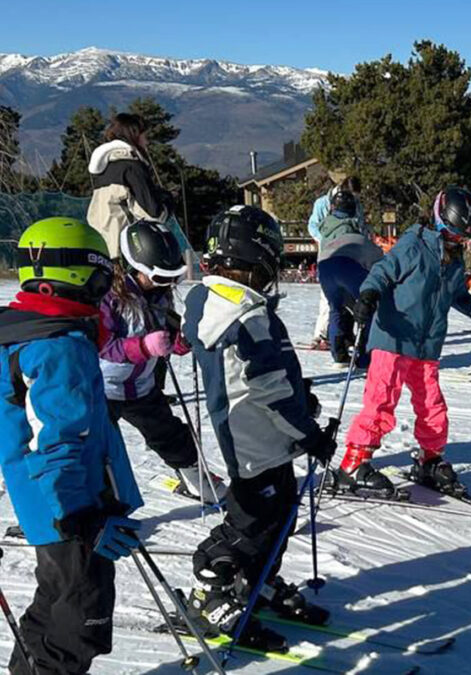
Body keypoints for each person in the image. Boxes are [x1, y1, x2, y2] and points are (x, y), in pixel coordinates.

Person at [0, 217, 143, 673]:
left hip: (45, 507)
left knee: (55, 602)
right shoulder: (59, 346)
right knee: (81, 620)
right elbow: (57, 441)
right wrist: (82, 516)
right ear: (82, 276)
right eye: (102, 279)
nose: (104, 293)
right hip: (71, 509)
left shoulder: (19, 336)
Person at [181, 205, 339, 648]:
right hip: (258, 437)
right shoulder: (248, 316)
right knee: (254, 522)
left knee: (280, 512)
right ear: (259, 257)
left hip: (254, 432)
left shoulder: (213, 300)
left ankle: (256, 579)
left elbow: (268, 376)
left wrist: (297, 394)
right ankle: (212, 586)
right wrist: (307, 432)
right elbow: (271, 388)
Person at [335, 187, 471, 497]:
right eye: (454, 235)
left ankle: (429, 458)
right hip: (393, 338)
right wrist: (369, 295)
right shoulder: (413, 245)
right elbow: (381, 272)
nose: (458, 241)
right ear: (440, 221)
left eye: (463, 237)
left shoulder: (452, 261)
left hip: (427, 345)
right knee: (381, 401)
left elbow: (459, 297)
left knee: (432, 405)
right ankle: (354, 462)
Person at [101, 220, 227, 504]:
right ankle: (77, 508)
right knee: (95, 448)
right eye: (160, 277)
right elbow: (102, 346)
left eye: (174, 277)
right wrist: (144, 346)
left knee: (171, 435)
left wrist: (179, 342)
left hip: (141, 387)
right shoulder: (109, 296)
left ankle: (197, 480)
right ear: (136, 266)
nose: (168, 284)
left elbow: (166, 335)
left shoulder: (160, 296)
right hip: (102, 389)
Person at [87, 113, 174, 259]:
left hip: (101, 249)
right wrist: (167, 199)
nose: (147, 142)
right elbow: (152, 213)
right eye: (144, 136)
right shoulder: (132, 168)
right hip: (127, 251)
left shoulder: (105, 168)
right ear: (133, 135)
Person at [314, 188, 383, 366]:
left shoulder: (325, 231)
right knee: (367, 308)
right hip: (348, 266)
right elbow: (377, 258)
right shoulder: (354, 233)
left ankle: (339, 354)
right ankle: (365, 357)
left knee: (336, 308)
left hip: (325, 267)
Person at [306, 177, 365, 351]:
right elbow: (313, 226)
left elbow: (360, 225)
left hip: (351, 252)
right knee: (329, 296)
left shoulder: (356, 205)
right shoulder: (323, 203)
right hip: (329, 251)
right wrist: (326, 240)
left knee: (349, 295)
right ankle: (321, 333)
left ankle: (345, 334)